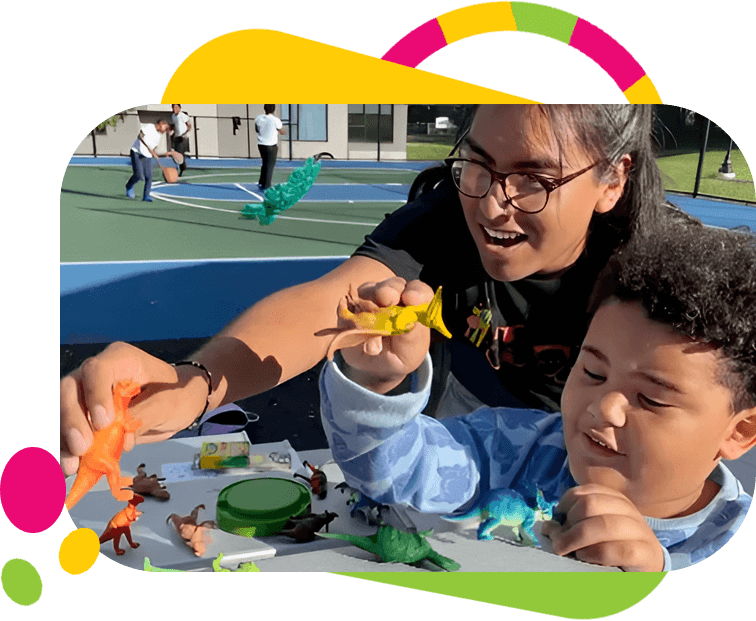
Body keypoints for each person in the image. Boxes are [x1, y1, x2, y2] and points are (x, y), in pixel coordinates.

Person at [60, 105, 693, 478]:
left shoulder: (666, 268)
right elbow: (325, 303)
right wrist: (194, 384)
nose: (494, 206)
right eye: (478, 164)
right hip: (456, 437)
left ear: (612, 180)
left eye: (535, 180)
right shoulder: (447, 216)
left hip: (591, 451)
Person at [319, 222, 756, 571]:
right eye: (592, 371)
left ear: (739, 431)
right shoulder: (517, 448)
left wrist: (656, 570)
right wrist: (374, 382)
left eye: (651, 399)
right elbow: (390, 471)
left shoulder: (722, 535)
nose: (603, 406)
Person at [125, 119, 172, 202]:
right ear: (161, 124)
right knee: (139, 175)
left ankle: (146, 195)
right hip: (136, 152)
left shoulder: (159, 136)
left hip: (147, 155)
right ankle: (129, 185)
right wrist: (148, 147)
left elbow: (153, 147)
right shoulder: (150, 126)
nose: (165, 131)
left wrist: (154, 152)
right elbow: (140, 136)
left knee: (149, 176)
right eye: (165, 127)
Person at [254, 104, 286, 190]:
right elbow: (280, 129)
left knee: (265, 163)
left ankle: (262, 181)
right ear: (273, 109)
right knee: (270, 165)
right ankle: (267, 185)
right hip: (271, 145)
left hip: (261, 144)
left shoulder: (258, 118)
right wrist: (283, 132)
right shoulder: (275, 120)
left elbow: (257, 130)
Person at [170, 104, 191, 176]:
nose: (174, 109)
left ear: (179, 108)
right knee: (176, 154)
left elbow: (189, 124)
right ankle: (182, 166)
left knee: (179, 154)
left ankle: (181, 168)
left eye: (176, 107)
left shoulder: (182, 115)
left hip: (183, 137)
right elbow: (173, 125)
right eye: (173, 107)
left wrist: (186, 132)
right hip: (177, 136)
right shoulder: (173, 116)